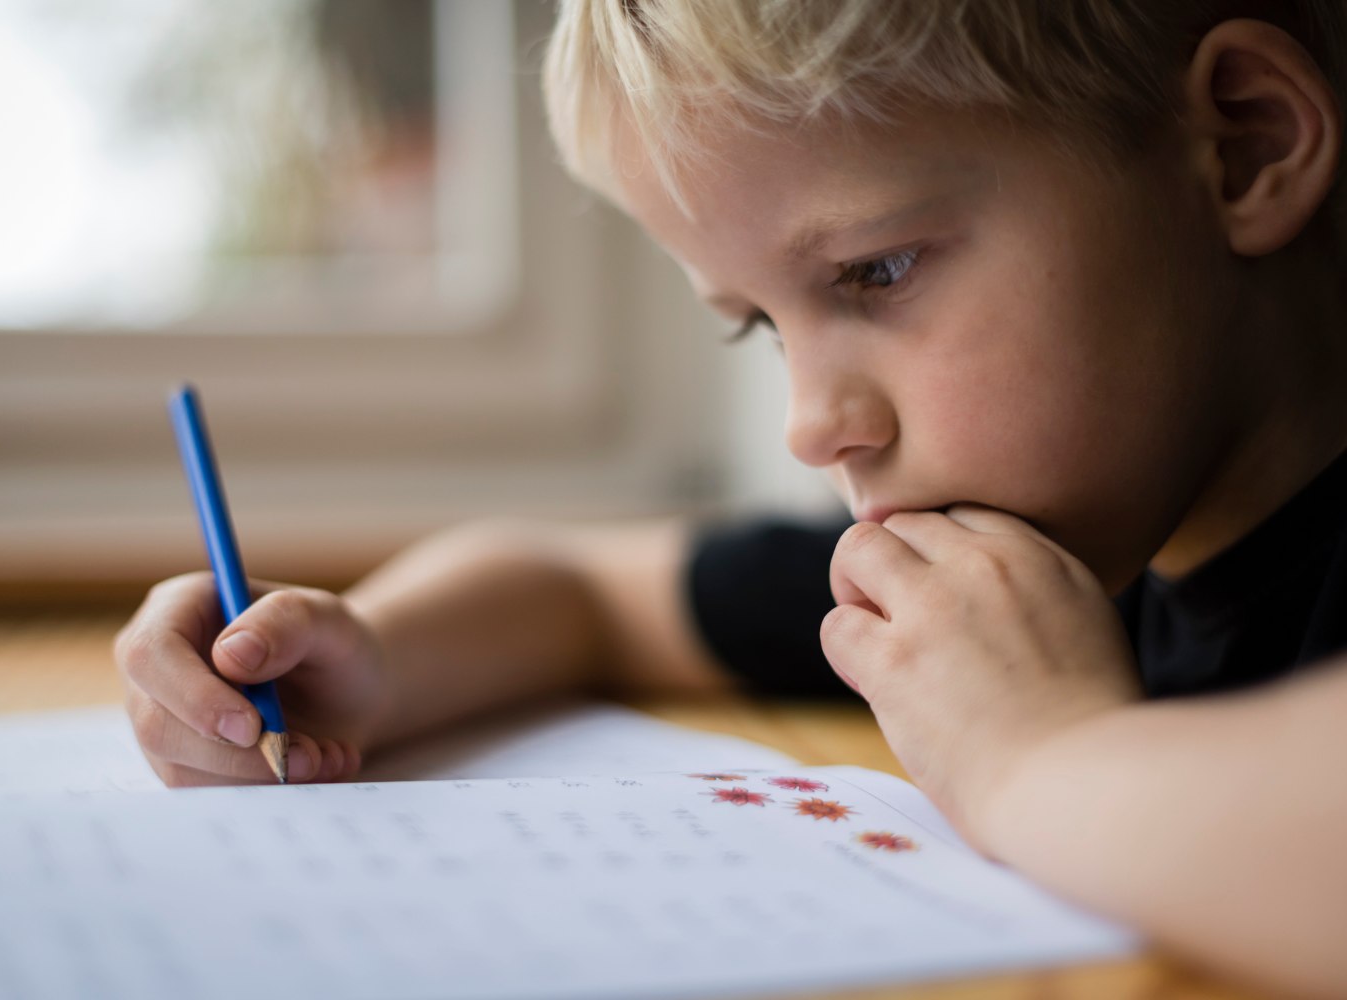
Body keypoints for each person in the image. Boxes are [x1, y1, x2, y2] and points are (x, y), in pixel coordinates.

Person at [114, 2, 1347, 995]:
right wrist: (369, 652)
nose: (809, 424)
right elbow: (576, 585)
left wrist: (1041, 760)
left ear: (1242, 146)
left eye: (876, 270)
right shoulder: (1025, 556)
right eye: (757, 323)